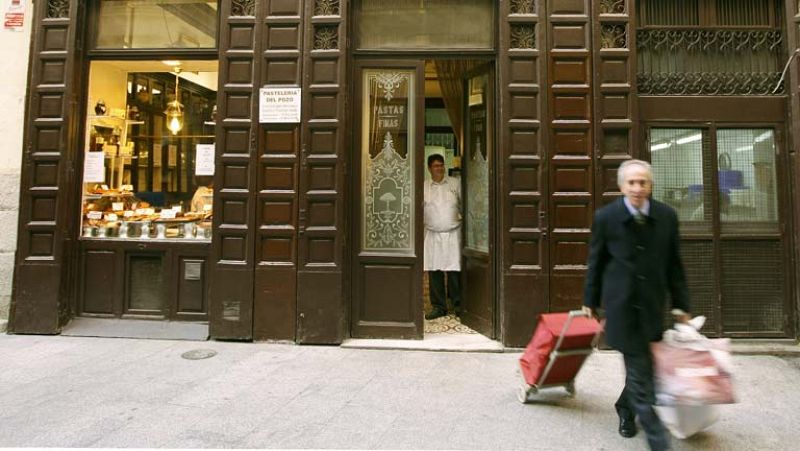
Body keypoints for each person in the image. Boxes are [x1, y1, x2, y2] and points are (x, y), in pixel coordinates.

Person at [582, 159, 691, 451]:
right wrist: (589, 301)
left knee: (644, 368)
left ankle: (624, 407)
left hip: (652, 306)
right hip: (622, 308)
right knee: (644, 376)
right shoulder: (606, 217)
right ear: (621, 186)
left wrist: (681, 306)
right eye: (631, 182)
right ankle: (658, 441)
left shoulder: (666, 217)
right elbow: (596, 262)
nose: (637, 188)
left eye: (643, 182)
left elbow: (674, 266)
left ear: (650, 185)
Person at [424, 154, 462, 320]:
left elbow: (464, 204)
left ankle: (458, 304)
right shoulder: (424, 187)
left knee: (454, 271)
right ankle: (439, 307)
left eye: (441, 165)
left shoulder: (455, 183)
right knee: (435, 272)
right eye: (435, 166)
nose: (439, 168)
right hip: (433, 235)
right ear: (429, 168)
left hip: (453, 233)